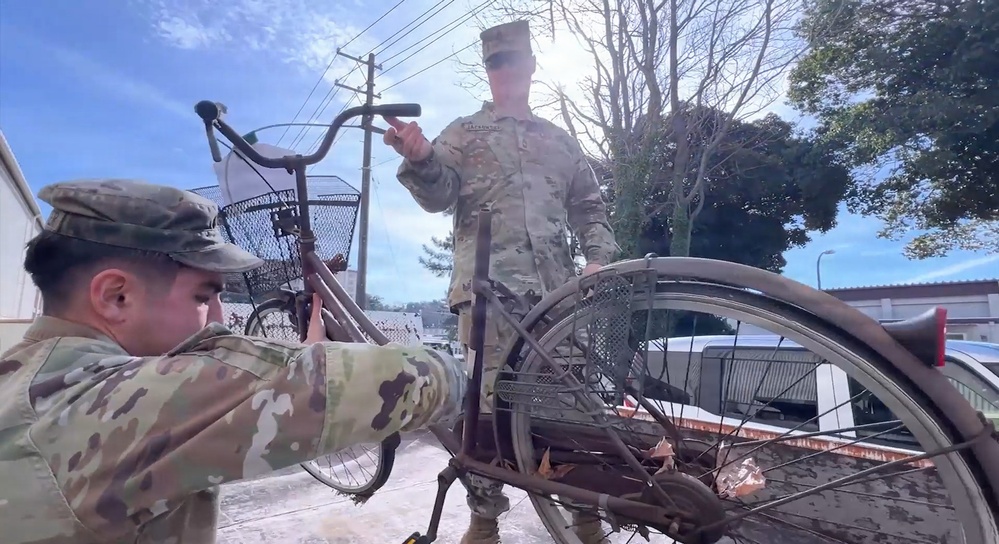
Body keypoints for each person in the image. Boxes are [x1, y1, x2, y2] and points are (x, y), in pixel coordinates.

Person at [0, 178, 467, 544]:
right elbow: (392, 378)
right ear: (116, 296)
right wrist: (462, 376)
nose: (218, 318)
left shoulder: (27, 382)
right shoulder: (111, 402)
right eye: (204, 296)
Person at [383, 19, 620, 544]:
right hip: (487, 296)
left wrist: (598, 258)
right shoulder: (464, 133)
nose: (505, 72)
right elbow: (439, 194)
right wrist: (420, 158)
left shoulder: (560, 140)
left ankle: (587, 514)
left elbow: (589, 207)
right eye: (495, 63)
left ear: (531, 66)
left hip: (557, 298)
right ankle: (484, 519)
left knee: (574, 407)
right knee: (485, 410)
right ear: (487, 72)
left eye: (513, 60)